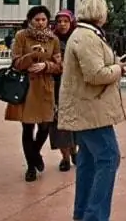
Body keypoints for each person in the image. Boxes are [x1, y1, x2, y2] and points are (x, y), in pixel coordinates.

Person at [59, 0, 126, 221]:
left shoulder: (84, 34)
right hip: (91, 110)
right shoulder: (87, 38)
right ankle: (95, 216)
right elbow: (95, 74)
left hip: (87, 108)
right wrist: (117, 68)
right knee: (109, 158)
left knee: (88, 162)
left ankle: (82, 213)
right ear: (100, 13)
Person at [6, 6, 62, 182]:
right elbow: (15, 62)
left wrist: (46, 66)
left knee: (45, 125)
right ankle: (31, 166)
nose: (40, 23)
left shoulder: (53, 39)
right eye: (37, 19)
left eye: (44, 19)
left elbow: (59, 66)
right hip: (27, 87)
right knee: (28, 127)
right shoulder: (21, 36)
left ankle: (35, 153)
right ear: (30, 20)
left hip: (46, 86)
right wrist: (31, 56)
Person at [49, 10, 78, 172]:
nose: (62, 24)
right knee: (58, 123)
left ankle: (74, 151)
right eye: (59, 21)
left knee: (75, 121)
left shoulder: (78, 39)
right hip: (56, 85)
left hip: (74, 86)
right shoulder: (51, 40)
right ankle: (65, 157)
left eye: (65, 21)